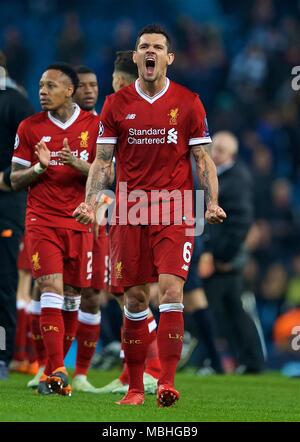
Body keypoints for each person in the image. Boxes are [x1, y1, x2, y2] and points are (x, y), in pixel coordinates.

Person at [74, 25, 226, 407]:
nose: (151, 52)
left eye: (158, 47)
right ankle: (136, 387)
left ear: (169, 58)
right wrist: (92, 201)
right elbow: (103, 162)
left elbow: (202, 158)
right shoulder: (116, 104)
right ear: (137, 57)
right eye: (144, 47)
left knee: (173, 292)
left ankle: (168, 383)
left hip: (175, 209)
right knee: (136, 300)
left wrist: (210, 203)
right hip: (129, 209)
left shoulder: (189, 101)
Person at [10, 63, 99, 395]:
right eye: (40, 86)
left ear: (69, 91)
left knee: (73, 298)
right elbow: (15, 179)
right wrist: (38, 168)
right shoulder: (30, 128)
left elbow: (112, 176)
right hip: (42, 219)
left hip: (79, 220)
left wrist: (80, 166)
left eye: (50, 86)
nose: (42, 92)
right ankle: (56, 367)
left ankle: (55, 371)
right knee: (50, 287)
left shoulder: (96, 126)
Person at [95, 51, 160, 396]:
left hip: (140, 209)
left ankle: (152, 367)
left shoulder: (136, 109)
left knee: (132, 292)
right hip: (119, 206)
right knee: (121, 292)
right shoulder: (116, 109)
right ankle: (130, 369)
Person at [199, 131, 265, 373]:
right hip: (220, 257)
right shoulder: (218, 177)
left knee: (212, 310)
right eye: (214, 147)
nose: (215, 153)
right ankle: (249, 361)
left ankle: (214, 361)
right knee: (231, 311)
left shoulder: (235, 179)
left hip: (224, 259)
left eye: (221, 150)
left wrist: (221, 257)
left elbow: (241, 222)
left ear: (233, 155)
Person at [0, 50, 34, 380]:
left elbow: (34, 160)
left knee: (4, 285)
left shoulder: (15, 103)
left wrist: (5, 179)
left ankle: (1, 355)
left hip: (5, 210)